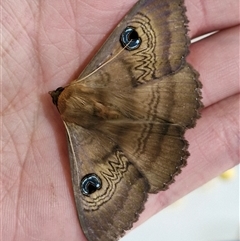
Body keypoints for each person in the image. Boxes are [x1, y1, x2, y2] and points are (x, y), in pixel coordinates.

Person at [2, 0, 239, 240]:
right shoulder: (88, 77)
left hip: (137, 138)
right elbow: (138, 32)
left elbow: (156, 12)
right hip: (160, 93)